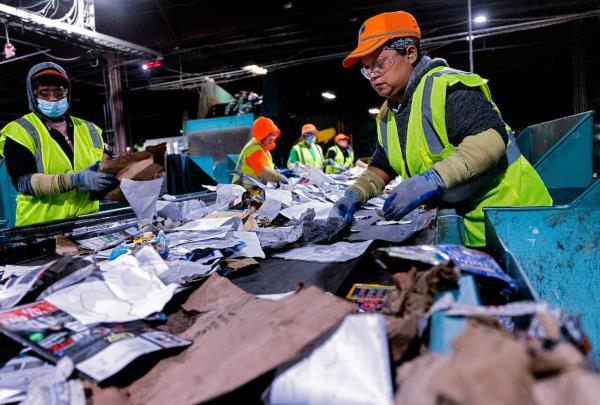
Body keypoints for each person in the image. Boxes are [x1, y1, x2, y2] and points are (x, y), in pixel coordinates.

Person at [330, 11, 552, 247]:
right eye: (367, 69)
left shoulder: (446, 87)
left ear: (410, 53)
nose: (373, 75)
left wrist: (430, 180)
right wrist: (354, 195)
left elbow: (490, 141)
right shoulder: (388, 114)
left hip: (519, 222)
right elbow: (383, 164)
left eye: (380, 64)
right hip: (464, 228)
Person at [0, 62, 116, 227]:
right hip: (42, 228)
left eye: (58, 92)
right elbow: (23, 182)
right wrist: (75, 180)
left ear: (66, 94)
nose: (52, 99)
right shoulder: (20, 131)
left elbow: (108, 167)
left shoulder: (90, 129)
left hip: (86, 224)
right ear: (34, 95)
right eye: (44, 93)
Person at [232, 116, 288, 187]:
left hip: (252, 190)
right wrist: (281, 178)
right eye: (269, 134)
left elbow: (267, 169)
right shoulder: (254, 149)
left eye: (273, 134)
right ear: (261, 134)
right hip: (244, 191)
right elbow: (264, 173)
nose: (272, 138)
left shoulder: (263, 148)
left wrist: (279, 173)